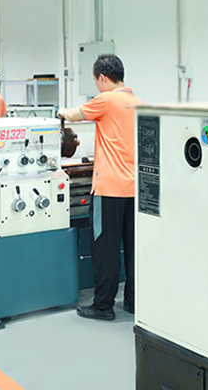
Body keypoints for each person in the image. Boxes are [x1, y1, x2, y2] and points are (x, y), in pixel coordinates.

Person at [58, 54, 141, 321]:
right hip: (136, 189)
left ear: (103, 78)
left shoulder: (105, 100)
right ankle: (134, 301)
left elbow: (74, 115)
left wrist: (61, 112)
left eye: (95, 81)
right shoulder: (137, 102)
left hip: (109, 189)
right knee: (134, 249)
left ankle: (103, 306)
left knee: (105, 249)